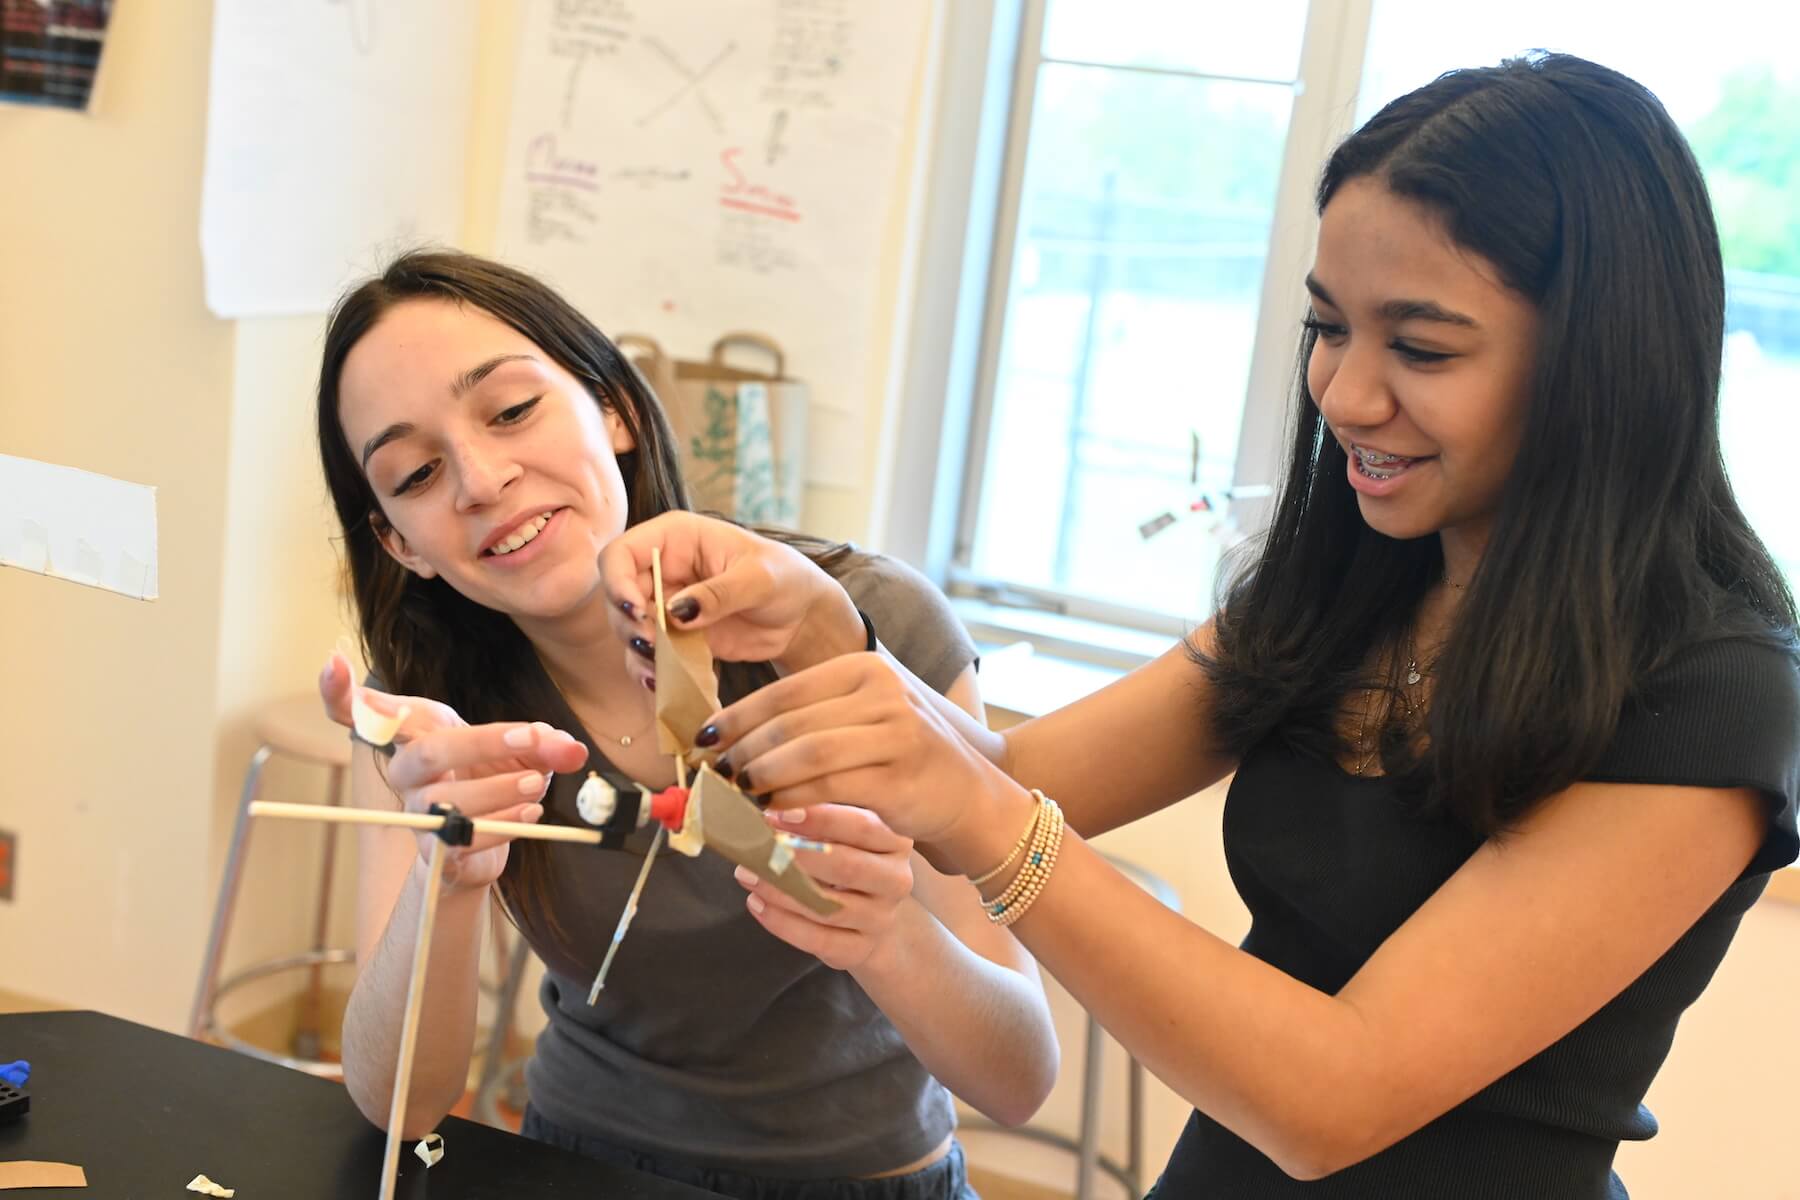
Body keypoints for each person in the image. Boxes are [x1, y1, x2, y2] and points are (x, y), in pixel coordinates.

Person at [610, 54, 1800, 1197]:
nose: (1344, 396)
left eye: (1422, 347)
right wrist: (827, 632)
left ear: (1606, 360)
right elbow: (1019, 779)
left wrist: (981, 813)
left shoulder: (1714, 692)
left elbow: (1332, 1101)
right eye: (1327, 329)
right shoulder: (1351, 583)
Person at [311, 250, 1058, 1199]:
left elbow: (1018, 1072)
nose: (481, 478)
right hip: (572, 1167)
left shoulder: (868, 621)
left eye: (510, 411)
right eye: (415, 472)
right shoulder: (427, 709)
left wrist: (881, 933)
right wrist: (446, 868)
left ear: (613, 407)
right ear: (397, 541)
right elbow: (401, 1108)